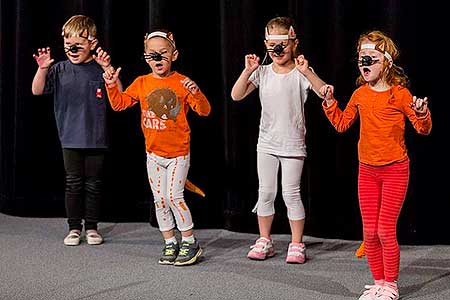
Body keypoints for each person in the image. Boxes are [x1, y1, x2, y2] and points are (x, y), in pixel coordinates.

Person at [310, 30, 432, 300]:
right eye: (361, 59)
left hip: (394, 170)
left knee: (385, 230)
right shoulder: (359, 95)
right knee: (369, 232)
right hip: (367, 171)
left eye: (371, 59)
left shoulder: (400, 95)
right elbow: (342, 124)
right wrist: (330, 104)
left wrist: (423, 113)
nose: (364, 64)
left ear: (387, 62)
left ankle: (391, 286)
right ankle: (378, 282)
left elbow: (422, 129)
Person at [102, 29, 211, 266]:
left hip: (178, 154)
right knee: (159, 200)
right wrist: (111, 85)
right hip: (153, 155)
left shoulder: (182, 82)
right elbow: (119, 104)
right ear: (145, 57)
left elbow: (204, 111)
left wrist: (197, 93)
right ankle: (170, 241)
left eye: (163, 54)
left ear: (174, 55)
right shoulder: (142, 83)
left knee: (174, 197)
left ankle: (190, 241)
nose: (158, 59)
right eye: (152, 55)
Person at [230, 16, 328, 264]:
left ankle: (296, 243)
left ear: (294, 44)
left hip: (293, 144)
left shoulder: (300, 72)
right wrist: (248, 70)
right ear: (265, 45)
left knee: (291, 194)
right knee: (266, 192)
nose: (277, 51)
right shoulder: (262, 73)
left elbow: (323, 91)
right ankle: (265, 239)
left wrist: (307, 72)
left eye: (282, 45)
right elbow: (236, 95)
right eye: (272, 46)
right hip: (267, 144)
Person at [31, 15, 118, 246]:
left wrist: (108, 69)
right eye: (69, 45)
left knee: (94, 184)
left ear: (93, 43)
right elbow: (37, 91)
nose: (73, 50)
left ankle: (91, 227)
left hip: (96, 138)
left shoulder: (98, 69)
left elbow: (119, 96)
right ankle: (73, 228)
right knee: (73, 183)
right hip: (69, 137)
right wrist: (42, 69)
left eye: (79, 45)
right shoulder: (59, 69)